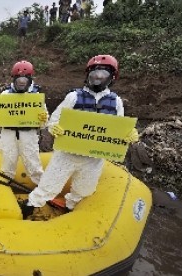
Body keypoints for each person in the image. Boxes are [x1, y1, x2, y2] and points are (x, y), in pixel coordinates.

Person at [22, 55, 139, 217]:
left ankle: (69, 209)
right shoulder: (74, 97)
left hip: (93, 158)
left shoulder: (116, 102)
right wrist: (55, 128)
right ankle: (28, 206)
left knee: (84, 189)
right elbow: (54, 120)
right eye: (95, 73)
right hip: (66, 154)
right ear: (88, 75)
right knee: (48, 185)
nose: (98, 78)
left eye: (103, 74)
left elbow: (118, 128)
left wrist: (128, 134)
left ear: (112, 78)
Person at [0, 61, 49, 187]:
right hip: (8, 134)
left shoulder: (36, 96)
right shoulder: (5, 95)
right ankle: (5, 184)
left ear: (29, 80)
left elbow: (44, 121)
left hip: (29, 135)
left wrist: (44, 117)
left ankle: (42, 188)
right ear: (14, 79)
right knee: (8, 162)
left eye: (24, 80)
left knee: (33, 164)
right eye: (19, 80)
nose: (22, 83)